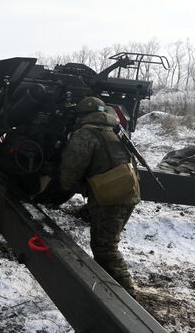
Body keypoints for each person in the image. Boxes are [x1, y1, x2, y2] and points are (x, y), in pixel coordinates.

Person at [59, 96, 140, 296]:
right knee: (105, 243)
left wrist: (64, 185)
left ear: (83, 115)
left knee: (105, 248)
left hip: (110, 197)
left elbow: (71, 169)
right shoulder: (114, 131)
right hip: (129, 192)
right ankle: (108, 288)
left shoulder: (85, 134)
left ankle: (127, 297)